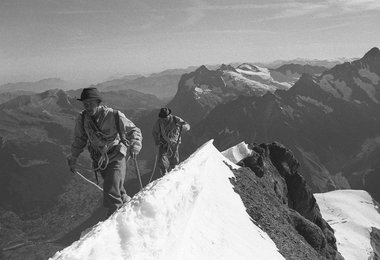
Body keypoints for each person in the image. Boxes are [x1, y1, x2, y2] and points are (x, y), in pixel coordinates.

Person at [66, 87, 142, 217]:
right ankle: (129, 211)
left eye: (91, 103)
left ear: (98, 102)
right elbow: (79, 140)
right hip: (100, 160)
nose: (88, 106)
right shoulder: (83, 119)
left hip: (116, 156)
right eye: (85, 104)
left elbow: (134, 130)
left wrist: (135, 145)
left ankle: (113, 222)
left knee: (110, 190)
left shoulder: (114, 115)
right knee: (117, 188)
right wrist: (73, 158)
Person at [152, 107, 190, 175]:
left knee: (174, 157)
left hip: (174, 142)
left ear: (169, 115)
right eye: (162, 117)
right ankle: (164, 172)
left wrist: (185, 126)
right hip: (163, 142)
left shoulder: (175, 119)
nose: (164, 119)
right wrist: (157, 141)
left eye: (165, 117)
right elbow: (154, 132)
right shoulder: (159, 122)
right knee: (161, 158)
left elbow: (186, 125)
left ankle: (174, 170)